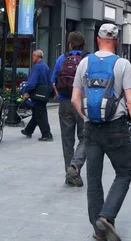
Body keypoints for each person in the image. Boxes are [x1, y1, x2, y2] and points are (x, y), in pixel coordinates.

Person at [72, 23, 131, 241]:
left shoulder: (84, 62)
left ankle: (98, 230)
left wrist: (86, 117)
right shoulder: (123, 64)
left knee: (93, 180)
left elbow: (75, 98)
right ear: (116, 40)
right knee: (124, 172)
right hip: (116, 127)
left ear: (97, 39)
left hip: (91, 128)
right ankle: (106, 217)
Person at [51, 31, 88, 187]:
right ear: (84, 44)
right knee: (85, 137)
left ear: (70, 44)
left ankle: (69, 174)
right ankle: (75, 167)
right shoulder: (87, 59)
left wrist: (60, 95)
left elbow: (53, 81)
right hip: (82, 103)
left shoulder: (62, 58)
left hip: (65, 103)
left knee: (67, 141)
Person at [21, 49, 53, 141]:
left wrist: (26, 91)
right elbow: (49, 80)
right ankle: (28, 130)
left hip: (37, 93)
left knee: (40, 114)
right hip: (44, 93)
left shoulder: (36, 67)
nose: (32, 58)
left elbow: (32, 82)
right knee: (37, 113)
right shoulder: (46, 66)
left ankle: (47, 134)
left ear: (36, 56)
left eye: (33, 56)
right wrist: (52, 93)